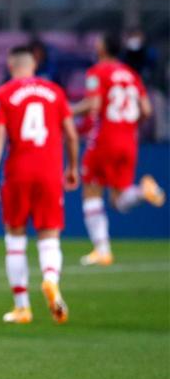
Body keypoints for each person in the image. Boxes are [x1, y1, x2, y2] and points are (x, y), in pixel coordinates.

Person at [0, 46, 79, 326]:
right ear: (33, 65)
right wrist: (72, 167)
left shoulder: (3, 94)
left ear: (11, 66)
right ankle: (50, 279)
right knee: (49, 238)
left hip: (19, 173)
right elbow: (71, 135)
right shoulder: (55, 92)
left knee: (15, 241)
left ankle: (22, 307)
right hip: (50, 173)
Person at [74, 34, 164, 266]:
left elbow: (93, 105)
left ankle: (102, 250)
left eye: (98, 42)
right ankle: (143, 193)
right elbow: (146, 109)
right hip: (129, 140)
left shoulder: (97, 72)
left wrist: (67, 111)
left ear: (104, 49)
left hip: (105, 138)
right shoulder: (132, 75)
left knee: (91, 192)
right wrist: (129, 125)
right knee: (119, 199)